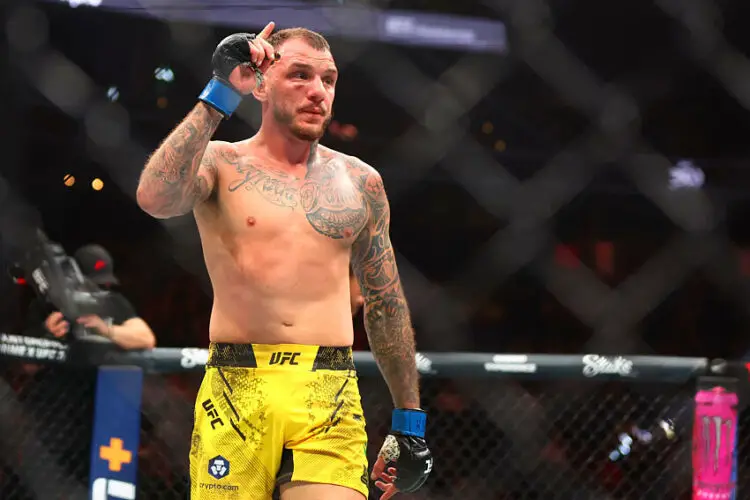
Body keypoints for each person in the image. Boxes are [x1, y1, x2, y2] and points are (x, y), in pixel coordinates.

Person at [136, 23, 432, 500]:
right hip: (237, 386)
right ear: (260, 84)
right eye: (299, 75)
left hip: (328, 389)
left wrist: (409, 422)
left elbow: (385, 302)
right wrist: (218, 92)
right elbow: (155, 196)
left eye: (328, 80)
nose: (318, 92)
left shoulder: (361, 182)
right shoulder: (219, 162)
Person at [28, 244, 156, 350]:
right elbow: (24, 368)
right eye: (95, 284)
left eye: (105, 285)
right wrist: (47, 336)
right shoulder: (48, 303)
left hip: (105, 376)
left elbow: (146, 339)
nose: (100, 290)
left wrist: (106, 330)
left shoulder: (113, 301)